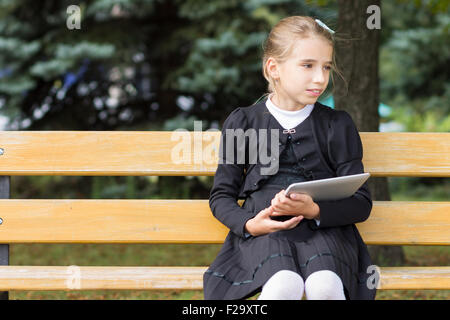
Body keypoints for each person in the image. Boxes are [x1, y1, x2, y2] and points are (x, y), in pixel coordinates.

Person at [203, 16, 376, 300]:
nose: (320, 78)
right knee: (283, 284)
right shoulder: (244, 121)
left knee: (325, 286)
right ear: (274, 68)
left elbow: (361, 202)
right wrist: (248, 224)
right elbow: (221, 195)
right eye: (308, 65)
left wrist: (315, 210)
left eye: (326, 67)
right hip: (264, 234)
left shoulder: (337, 124)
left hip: (326, 233)